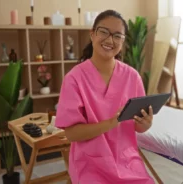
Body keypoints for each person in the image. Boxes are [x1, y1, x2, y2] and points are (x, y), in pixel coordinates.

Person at [55, 9, 155, 184]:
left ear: (123, 42)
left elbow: (137, 127)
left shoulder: (132, 77)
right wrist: (111, 123)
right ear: (92, 34)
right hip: (90, 164)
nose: (110, 40)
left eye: (117, 36)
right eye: (103, 32)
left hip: (126, 162)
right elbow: (71, 134)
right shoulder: (74, 79)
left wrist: (145, 124)